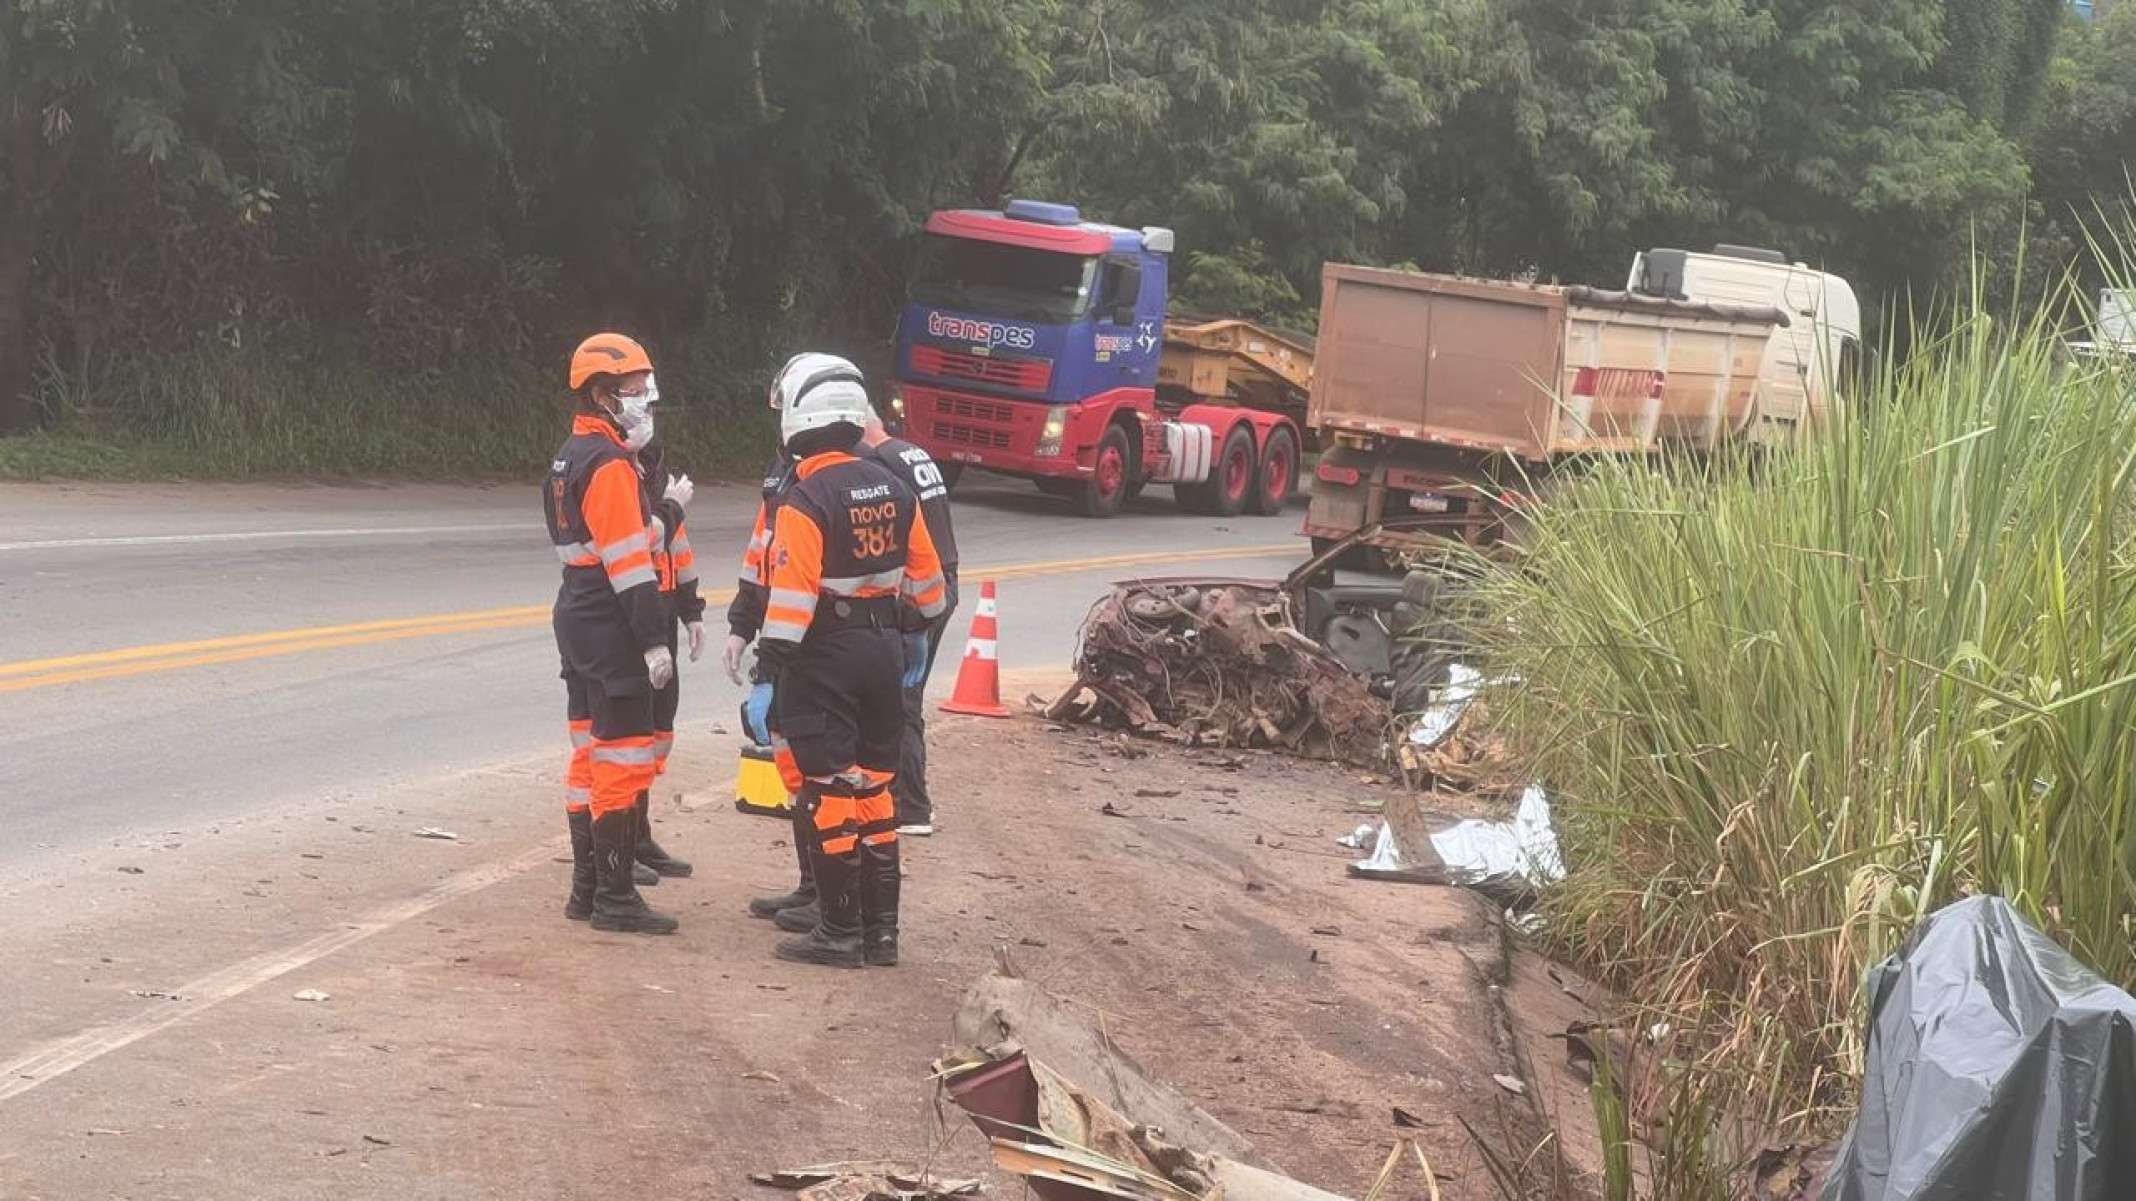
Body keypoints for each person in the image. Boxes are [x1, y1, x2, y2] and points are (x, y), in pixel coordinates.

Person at [756, 368, 948, 968]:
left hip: (824, 656)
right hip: (884, 651)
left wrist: (767, 677)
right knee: (877, 790)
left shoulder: (807, 497)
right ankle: (880, 933)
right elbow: (930, 590)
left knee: (830, 788)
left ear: (800, 423)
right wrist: (910, 633)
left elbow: (791, 603)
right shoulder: (895, 487)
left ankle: (837, 932)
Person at [544, 331, 685, 935]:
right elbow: (630, 565)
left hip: (578, 611)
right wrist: (653, 640)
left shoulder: (570, 455)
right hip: (609, 619)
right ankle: (615, 897)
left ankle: (587, 891)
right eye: (635, 391)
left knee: (589, 755)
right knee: (622, 759)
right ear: (601, 395)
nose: (645, 402)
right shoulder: (608, 465)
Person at [731, 354, 866, 934]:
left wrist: (768, 667)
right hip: (793, 641)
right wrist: (741, 623)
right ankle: (812, 886)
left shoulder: (837, 478)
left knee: (824, 774)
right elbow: (761, 554)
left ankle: (833, 902)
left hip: (819, 645)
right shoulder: (783, 475)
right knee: (795, 770)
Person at [858, 411, 959, 836]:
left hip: (916, 593)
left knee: (899, 701)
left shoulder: (882, 464)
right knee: (903, 696)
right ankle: (906, 800)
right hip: (939, 582)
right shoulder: (911, 453)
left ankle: (910, 806)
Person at [633, 435, 701, 879]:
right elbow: (639, 541)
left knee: (659, 731)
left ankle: (638, 834)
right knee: (627, 739)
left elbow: (679, 549)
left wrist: (692, 612)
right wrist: (671, 508)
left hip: (664, 617)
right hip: (632, 622)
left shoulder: (653, 469)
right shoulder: (613, 473)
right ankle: (618, 844)